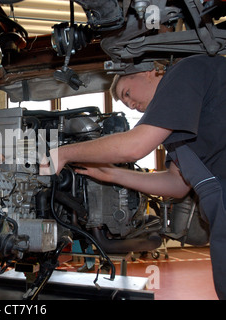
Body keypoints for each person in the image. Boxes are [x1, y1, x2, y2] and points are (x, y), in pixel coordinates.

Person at [45, 54, 226, 299]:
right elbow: (176, 184)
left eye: (127, 92)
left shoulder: (184, 71)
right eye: (123, 101)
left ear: (148, 71)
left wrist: (64, 153)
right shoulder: (179, 125)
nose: (129, 104)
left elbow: (135, 146)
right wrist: (110, 174)